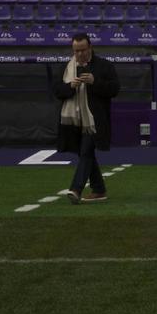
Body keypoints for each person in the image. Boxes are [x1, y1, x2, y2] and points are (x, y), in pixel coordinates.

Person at [53, 33, 120, 204]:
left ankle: (76, 189)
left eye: (83, 50)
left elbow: (114, 89)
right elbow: (57, 91)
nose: (80, 54)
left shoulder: (104, 66)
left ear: (90, 47)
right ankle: (99, 189)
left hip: (94, 120)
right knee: (86, 154)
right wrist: (70, 86)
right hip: (73, 122)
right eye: (76, 51)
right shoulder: (66, 67)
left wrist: (94, 81)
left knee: (85, 152)